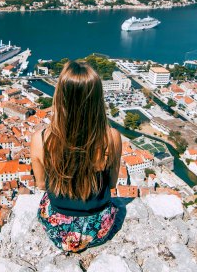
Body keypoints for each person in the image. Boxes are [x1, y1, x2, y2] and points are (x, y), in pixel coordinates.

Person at [31, 60, 122, 253]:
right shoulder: (112, 138)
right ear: (97, 99)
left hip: (59, 229)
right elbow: (112, 184)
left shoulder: (40, 140)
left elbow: (41, 185)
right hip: (98, 228)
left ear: (60, 97)